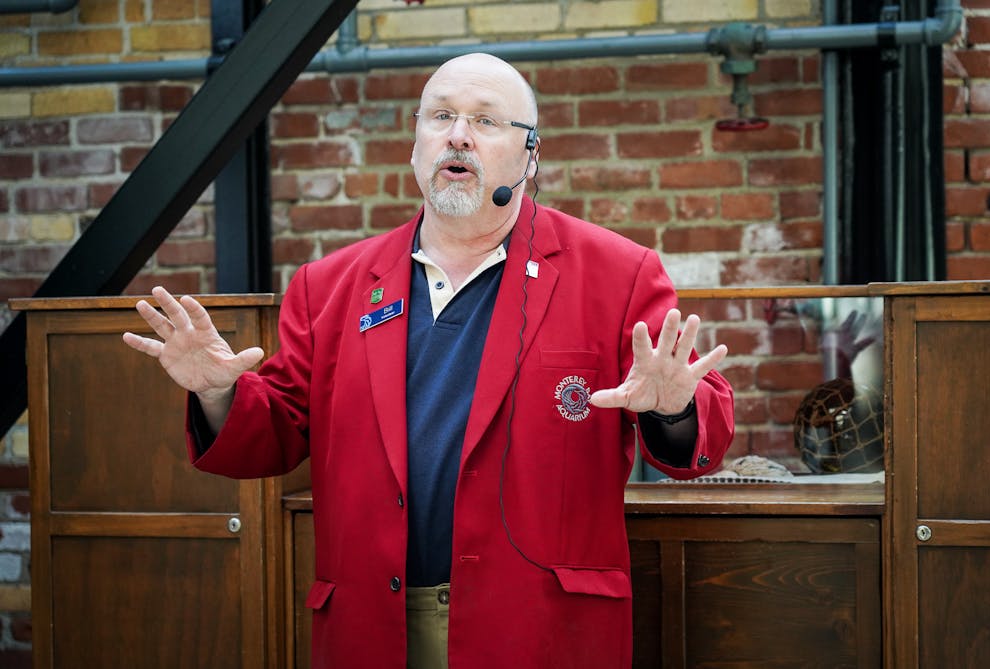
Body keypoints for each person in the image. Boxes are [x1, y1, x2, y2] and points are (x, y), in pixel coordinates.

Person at [124, 52, 734, 669]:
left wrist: (674, 406)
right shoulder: (330, 285)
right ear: (416, 145)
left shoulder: (617, 272)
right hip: (376, 625)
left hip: (541, 627)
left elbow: (699, 422)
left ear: (531, 156)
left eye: (485, 121)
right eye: (440, 116)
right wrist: (217, 395)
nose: (458, 134)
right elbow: (277, 431)